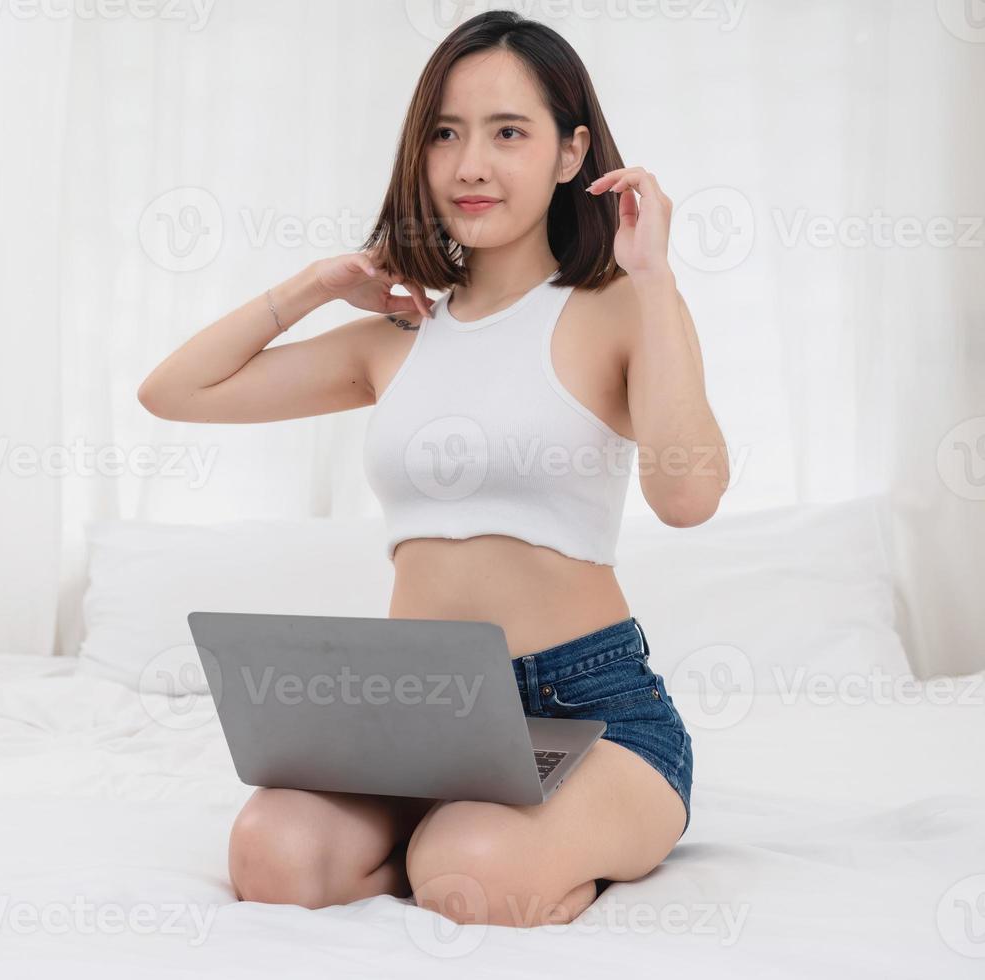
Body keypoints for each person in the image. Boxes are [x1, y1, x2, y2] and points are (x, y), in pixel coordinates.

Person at [136, 10, 728, 928]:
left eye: (508, 133)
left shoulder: (620, 309)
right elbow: (174, 392)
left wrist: (655, 280)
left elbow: (688, 498)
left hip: (591, 709)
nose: (469, 166)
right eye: (444, 134)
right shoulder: (395, 340)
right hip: (415, 710)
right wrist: (317, 286)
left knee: (473, 866)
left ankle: (489, 849)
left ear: (572, 154)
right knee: (273, 854)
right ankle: (438, 845)